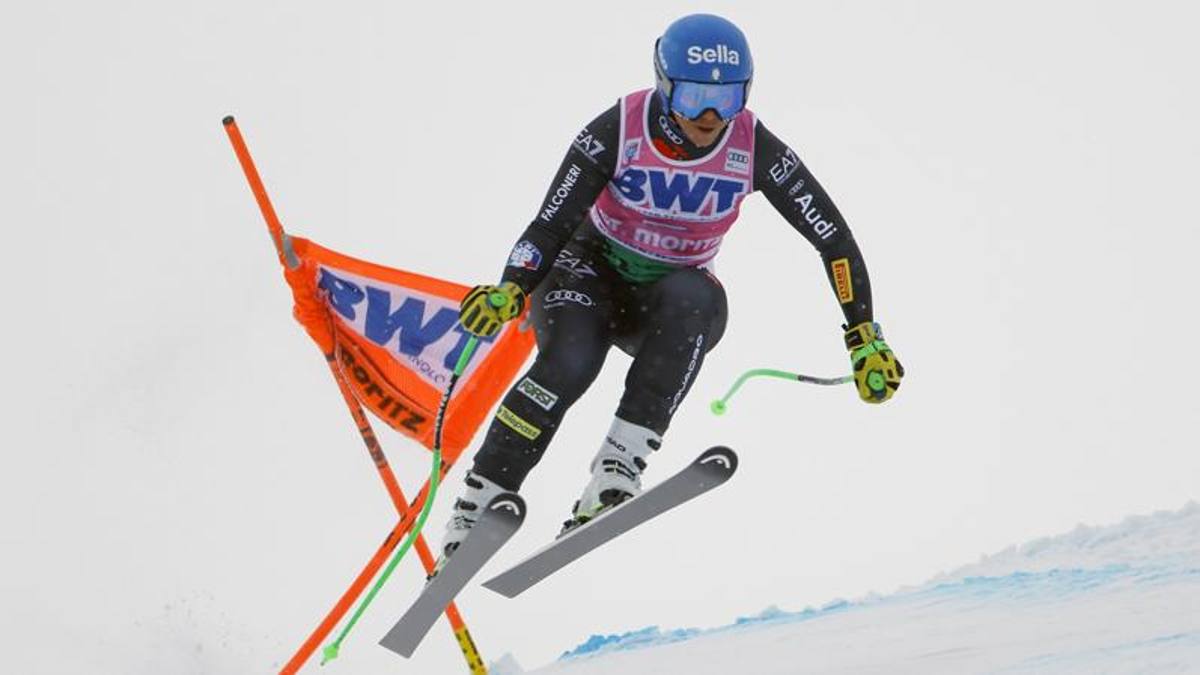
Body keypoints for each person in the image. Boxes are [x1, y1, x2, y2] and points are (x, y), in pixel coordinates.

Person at [439, 13, 903, 567]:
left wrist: (863, 333)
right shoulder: (619, 128)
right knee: (570, 362)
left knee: (699, 301)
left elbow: (834, 238)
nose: (710, 117)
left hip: (659, 300)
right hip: (584, 273)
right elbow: (549, 223)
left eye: (727, 99)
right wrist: (512, 288)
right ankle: (477, 504)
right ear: (664, 87)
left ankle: (617, 469)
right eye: (693, 98)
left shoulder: (754, 148)